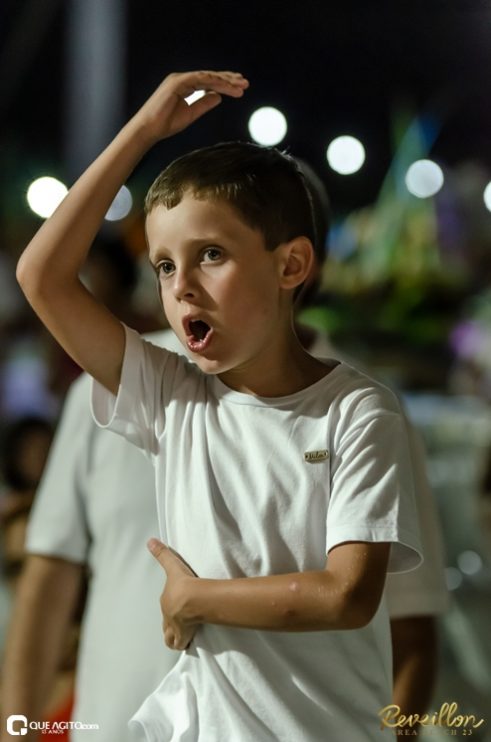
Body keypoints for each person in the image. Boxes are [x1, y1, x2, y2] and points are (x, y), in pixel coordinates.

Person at [16, 70, 423, 740]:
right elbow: (41, 275)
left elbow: (346, 595)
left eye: (209, 255)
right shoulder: (173, 396)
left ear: (291, 266)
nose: (181, 287)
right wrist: (142, 133)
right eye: (164, 266)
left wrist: (196, 598)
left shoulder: (358, 410)